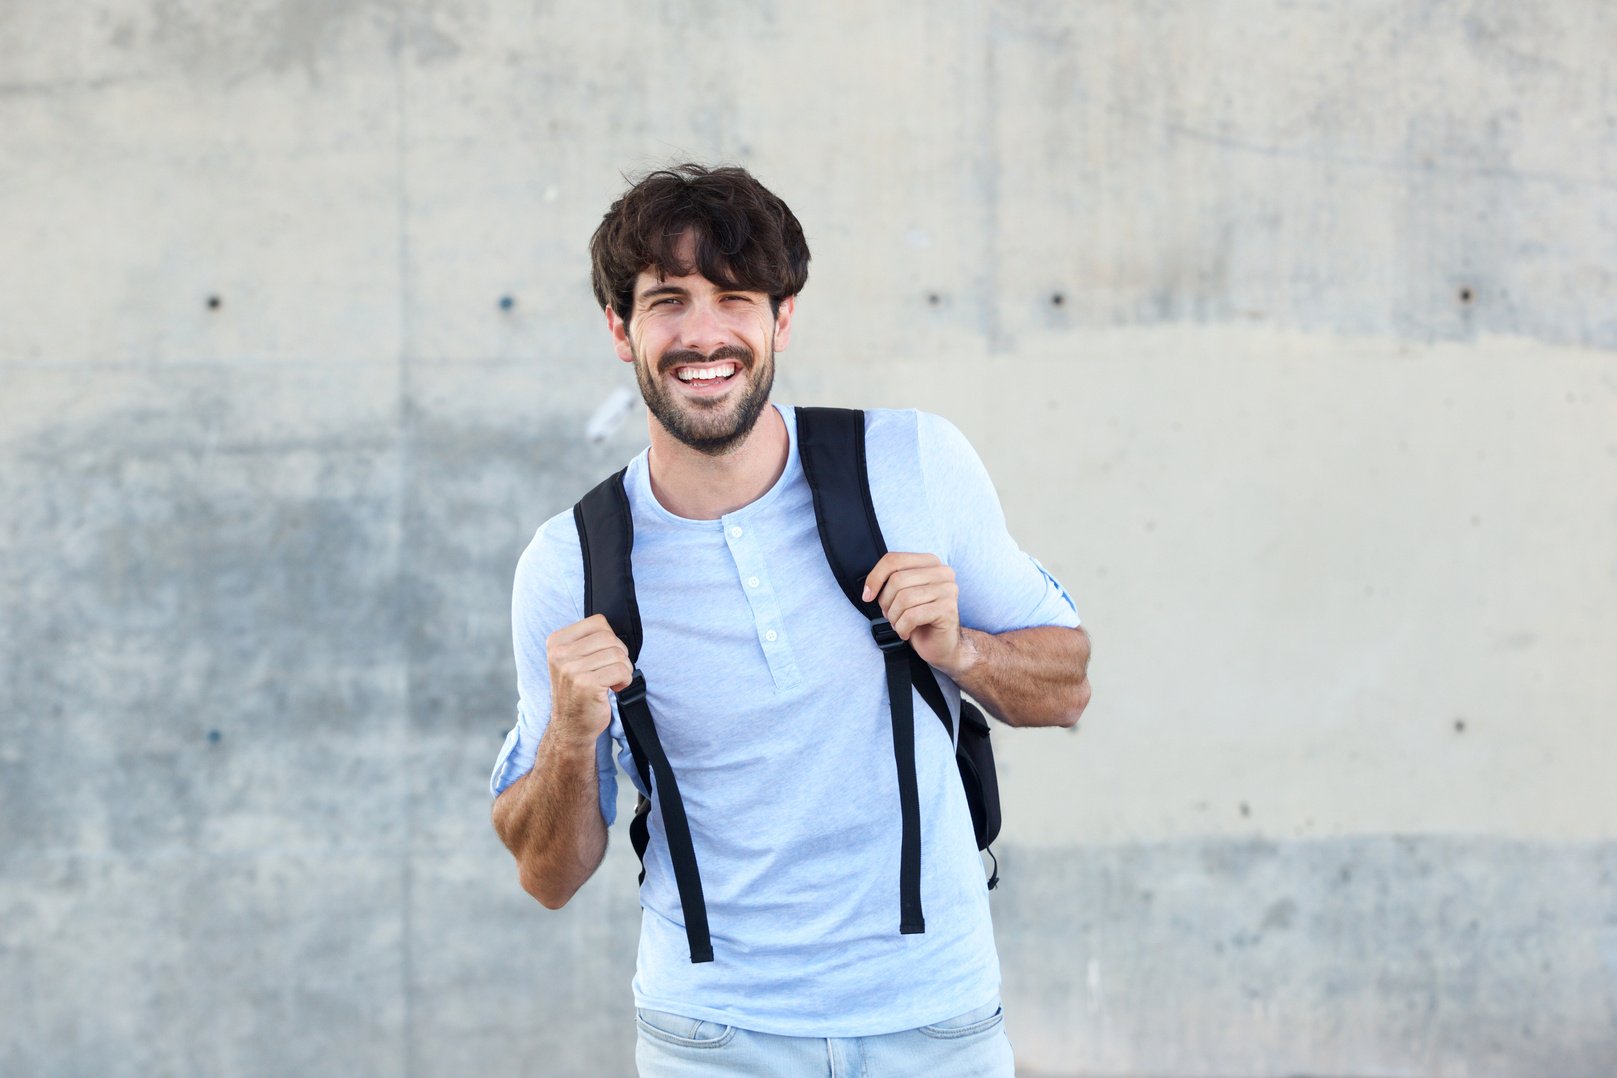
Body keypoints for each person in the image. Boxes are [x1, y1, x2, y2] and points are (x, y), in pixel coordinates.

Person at [490, 163, 1091, 1076]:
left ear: (782, 317)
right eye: (666, 301)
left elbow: (1068, 686)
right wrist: (573, 738)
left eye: (734, 296)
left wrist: (962, 650)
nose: (702, 334)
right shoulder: (569, 564)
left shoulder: (909, 462)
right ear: (620, 329)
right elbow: (547, 874)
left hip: (933, 1021)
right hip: (712, 1038)